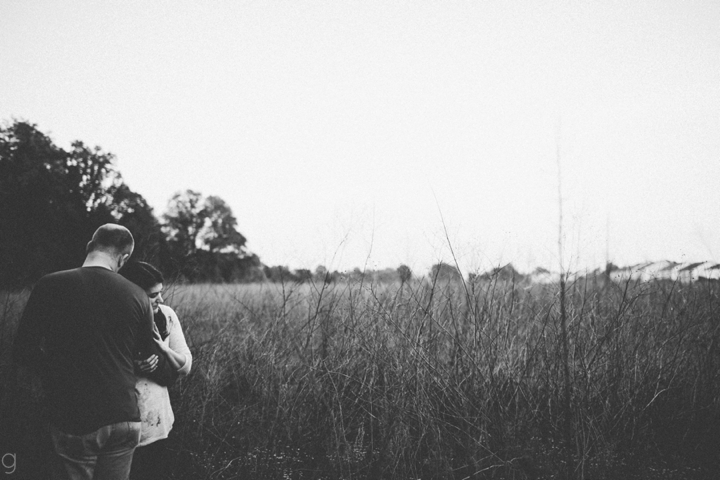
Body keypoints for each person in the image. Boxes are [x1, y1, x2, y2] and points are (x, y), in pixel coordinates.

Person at [12, 224, 158, 480]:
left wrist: (56, 373)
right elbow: (144, 353)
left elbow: (23, 350)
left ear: (89, 246)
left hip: (76, 414)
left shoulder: (51, 284)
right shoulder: (138, 295)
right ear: (123, 258)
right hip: (125, 418)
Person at [119, 261, 192, 480]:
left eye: (160, 293)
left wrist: (162, 352)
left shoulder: (167, 316)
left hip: (158, 423)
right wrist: (134, 365)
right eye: (153, 296)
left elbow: (186, 365)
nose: (160, 299)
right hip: (120, 425)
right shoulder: (117, 319)